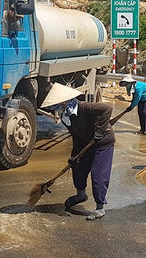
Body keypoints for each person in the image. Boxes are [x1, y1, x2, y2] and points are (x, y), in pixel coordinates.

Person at [40, 83, 115, 220]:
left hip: (103, 143)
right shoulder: (66, 117)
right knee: (77, 167)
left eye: (57, 106)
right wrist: (74, 155)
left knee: (98, 173)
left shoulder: (84, 107)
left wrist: (99, 130)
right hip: (87, 143)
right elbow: (76, 136)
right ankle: (81, 194)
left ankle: (100, 207)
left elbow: (107, 109)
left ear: (64, 103)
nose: (54, 110)